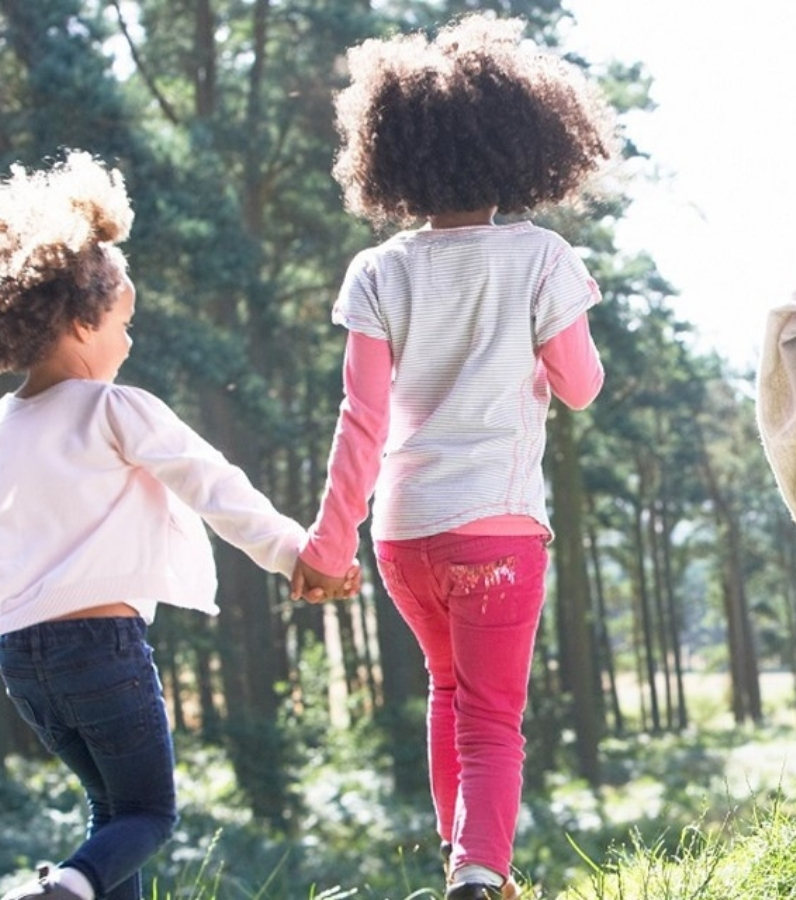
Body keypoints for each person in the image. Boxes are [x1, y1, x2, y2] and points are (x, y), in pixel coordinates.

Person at [294, 14, 613, 900]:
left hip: (405, 538)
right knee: (493, 721)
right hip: (497, 533)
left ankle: (462, 865)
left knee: (448, 692)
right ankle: (482, 874)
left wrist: (330, 543)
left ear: (392, 154)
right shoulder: (542, 258)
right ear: (526, 144)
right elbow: (582, 386)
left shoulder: (377, 273)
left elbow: (360, 419)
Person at [0, 152, 351, 900]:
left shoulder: (3, 424)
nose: (129, 343)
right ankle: (57, 890)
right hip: (103, 650)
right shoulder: (115, 409)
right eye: (124, 324)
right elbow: (215, 486)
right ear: (81, 319)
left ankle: (72, 885)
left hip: (22, 663)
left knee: (110, 816)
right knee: (152, 814)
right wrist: (296, 551)